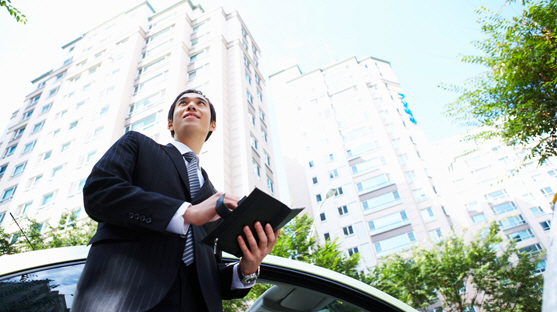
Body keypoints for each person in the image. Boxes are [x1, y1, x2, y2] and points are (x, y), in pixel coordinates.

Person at [72, 89, 279, 312]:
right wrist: (186, 213)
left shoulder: (216, 200)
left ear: (213, 126)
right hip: (127, 299)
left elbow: (215, 275)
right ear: (170, 124)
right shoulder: (137, 144)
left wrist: (247, 268)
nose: (191, 106)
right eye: (183, 103)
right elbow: (99, 192)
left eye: (200, 104)